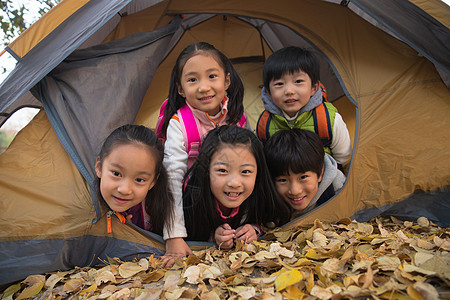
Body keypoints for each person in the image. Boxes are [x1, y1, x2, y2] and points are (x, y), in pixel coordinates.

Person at [158, 42, 249, 264]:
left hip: (231, 192)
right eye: (192, 80)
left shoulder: (237, 116)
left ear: (226, 81)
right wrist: (174, 235)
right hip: (194, 201)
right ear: (181, 89)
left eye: (212, 77)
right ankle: (208, 234)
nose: (204, 87)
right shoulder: (180, 124)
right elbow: (173, 177)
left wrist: (252, 220)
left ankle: (248, 226)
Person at [183, 125, 290, 248]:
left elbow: (269, 221)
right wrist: (213, 237)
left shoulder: (260, 197)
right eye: (223, 170)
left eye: (245, 171)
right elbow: (189, 234)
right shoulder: (192, 201)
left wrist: (255, 230)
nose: (234, 183)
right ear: (206, 170)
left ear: (258, 173)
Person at [256, 46, 351, 167]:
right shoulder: (265, 124)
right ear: (268, 92)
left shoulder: (327, 120)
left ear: (314, 88)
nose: (289, 91)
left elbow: (343, 158)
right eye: (279, 84)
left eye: (298, 81)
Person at [95, 124, 174, 237]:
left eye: (139, 180)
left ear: (152, 182)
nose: (124, 190)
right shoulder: (82, 207)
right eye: (116, 174)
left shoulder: (155, 207)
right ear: (99, 167)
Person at [264, 128, 346, 219]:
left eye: (303, 177)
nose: (295, 191)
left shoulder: (338, 191)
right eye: (283, 180)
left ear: (321, 172)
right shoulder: (268, 199)